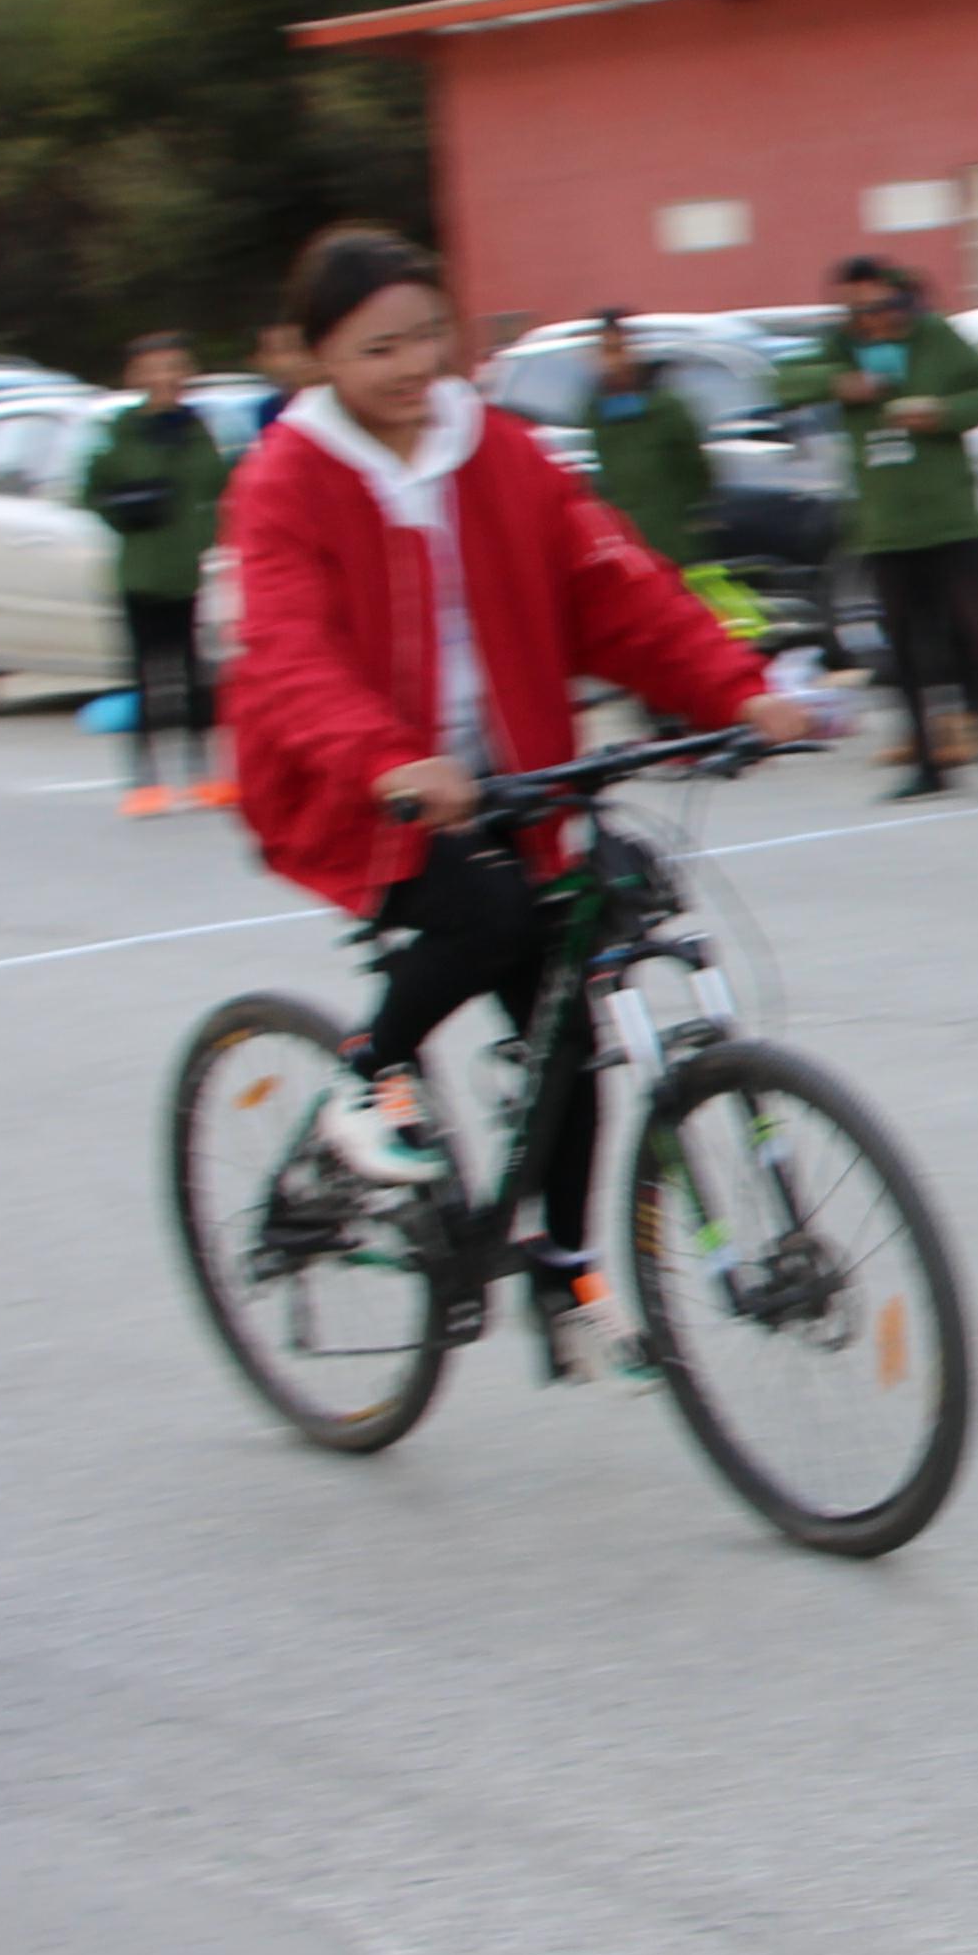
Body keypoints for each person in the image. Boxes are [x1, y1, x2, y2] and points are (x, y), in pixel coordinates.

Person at [224, 228, 813, 1376]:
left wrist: (742, 693)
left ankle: (562, 1272)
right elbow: (286, 654)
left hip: (515, 779)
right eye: (377, 347)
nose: (410, 366)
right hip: (359, 786)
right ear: (316, 358)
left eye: (427, 336)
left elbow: (620, 592)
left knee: (571, 1028)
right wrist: (389, 761)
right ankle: (359, 1093)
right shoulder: (283, 479)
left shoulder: (501, 451)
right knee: (489, 917)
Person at [796, 255, 978, 797]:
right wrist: (841, 383)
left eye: (879, 307)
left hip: (949, 521)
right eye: (856, 310)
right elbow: (786, 380)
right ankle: (929, 765)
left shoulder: (934, 337)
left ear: (899, 300)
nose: (870, 320)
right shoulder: (842, 346)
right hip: (886, 526)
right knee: (904, 651)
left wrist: (943, 412)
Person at [87, 331, 240, 816]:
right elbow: (92, 490)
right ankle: (146, 781)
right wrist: (129, 516)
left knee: (196, 675)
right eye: (155, 368)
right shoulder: (122, 432)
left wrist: (208, 533)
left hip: (188, 571)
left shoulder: (197, 429)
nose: (167, 378)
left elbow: (219, 485)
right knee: (146, 676)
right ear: (135, 377)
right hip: (139, 573)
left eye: (176, 366)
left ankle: (204, 775)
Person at [575, 310, 713, 569]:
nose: (612, 362)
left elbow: (697, 472)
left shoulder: (665, 408)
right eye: (606, 351)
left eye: (619, 350)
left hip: (669, 544)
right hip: (625, 550)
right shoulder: (595, 412)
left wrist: (677, 514)